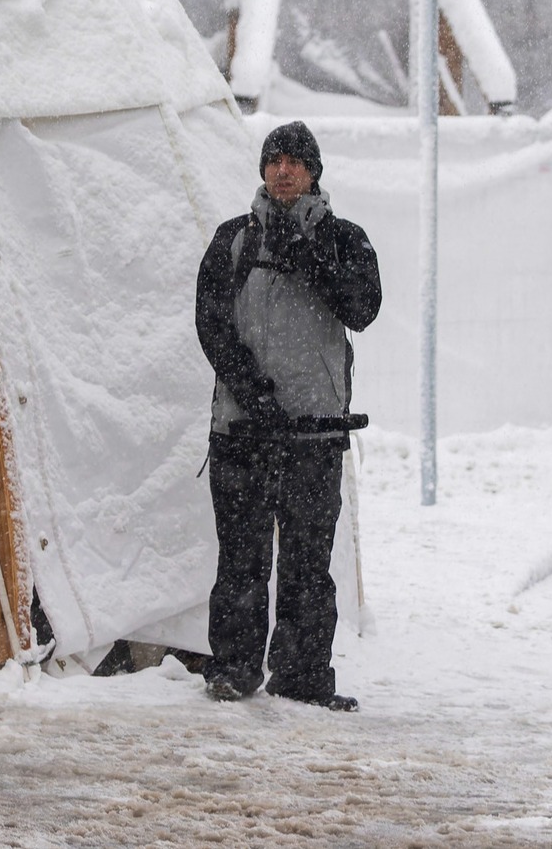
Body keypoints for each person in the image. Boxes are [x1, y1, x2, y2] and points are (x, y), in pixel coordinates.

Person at [193, 121, 381, 710]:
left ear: (314, 171)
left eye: (296, 161)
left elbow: (363, 308)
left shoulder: (345, 239)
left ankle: (302, 677)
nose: (283, 170)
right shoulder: (233, 240)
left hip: (315, 435)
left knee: (306, 564)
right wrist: (253, 394)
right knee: (242, 558)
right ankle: (233, 671)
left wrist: (312, 256)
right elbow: (212, 326)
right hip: (243, 431)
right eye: (274, 159)